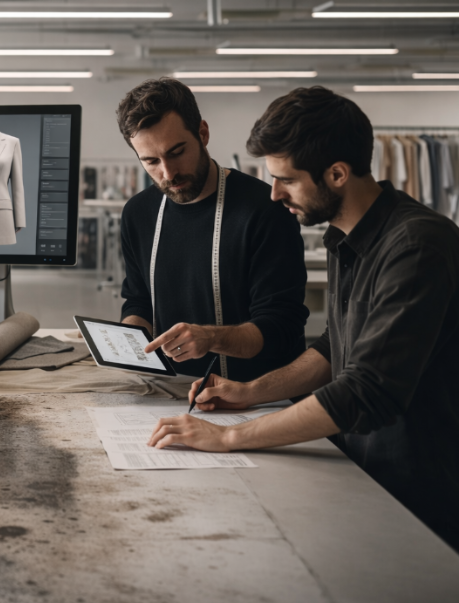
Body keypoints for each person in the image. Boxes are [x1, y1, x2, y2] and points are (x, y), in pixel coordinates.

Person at [147, 86, 459, 552]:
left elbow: (366, 391)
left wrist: (229, 439)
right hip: (362, 474)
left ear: (336, 174)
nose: (273, 194)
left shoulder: (417, 246)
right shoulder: (346, 237)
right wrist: (250, 393)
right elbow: (337, 350)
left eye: (286, 180)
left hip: (417, 495)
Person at [117, 78, 308, 383]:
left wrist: (211, 338)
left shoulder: (265, 210)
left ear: (203, 134)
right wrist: (130, 342)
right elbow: (139, 299)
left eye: (177, 152)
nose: (168, 173)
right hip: (172, 390)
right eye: (151, 161)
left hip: (260, 396)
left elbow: (280, 327)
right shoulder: (138, 213)